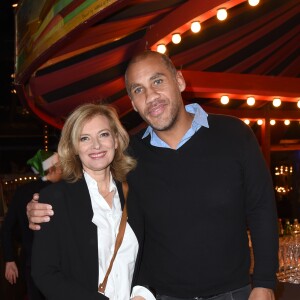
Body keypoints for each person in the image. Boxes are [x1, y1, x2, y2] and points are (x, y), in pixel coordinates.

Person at [27, 51, 279, 300]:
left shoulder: (233, 134)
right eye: (138, 90)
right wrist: (39, 205)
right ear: (133, 103)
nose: (151, 96)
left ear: (179, 81)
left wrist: (265, 282)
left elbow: (261, 207)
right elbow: (86, 181)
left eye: (157, 81)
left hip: (233, 293)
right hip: (163, 295)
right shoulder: (130, 156)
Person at [30, 103, 155, 300]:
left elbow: (149, 253)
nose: (96, 145)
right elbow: (44, 273)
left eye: (103, 134)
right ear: (74, 148)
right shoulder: (55, 200)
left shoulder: (135, 193)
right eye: (84, 138)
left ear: (115, 140)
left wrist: (142, 293)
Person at [1, 149, 61, 300]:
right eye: (61, 166)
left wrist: (9, 259)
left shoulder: (22, 191)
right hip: (59, 265)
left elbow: (6, 228)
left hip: (32, 263)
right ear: (52, 168)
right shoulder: (61, 191)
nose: (64, 169)